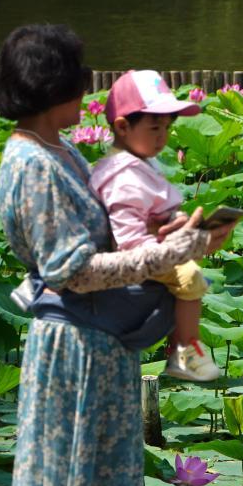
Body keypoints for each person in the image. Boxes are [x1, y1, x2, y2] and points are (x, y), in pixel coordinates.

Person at [0, 24, 237, 486]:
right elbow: (71, 271)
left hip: (101, 343)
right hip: (73, 346)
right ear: (51, 87)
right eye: (79, 80)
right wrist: (171, 254)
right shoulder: (32, 164)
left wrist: (176, 240)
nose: (87, 92)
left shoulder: (64, 153)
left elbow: (116, 241)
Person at [89, 70, 220, 382]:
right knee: (190, 276)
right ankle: (185, 353)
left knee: (190, 260)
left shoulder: (139, 163)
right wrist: (171, 248)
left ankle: (178, 348)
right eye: (154, 127)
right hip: (123, 263)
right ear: (122, 126)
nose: (162, 136)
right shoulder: (122, 177)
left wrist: (173, 225)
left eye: (166, 127)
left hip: (148, 248)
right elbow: (128, 242)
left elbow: (149, 216)